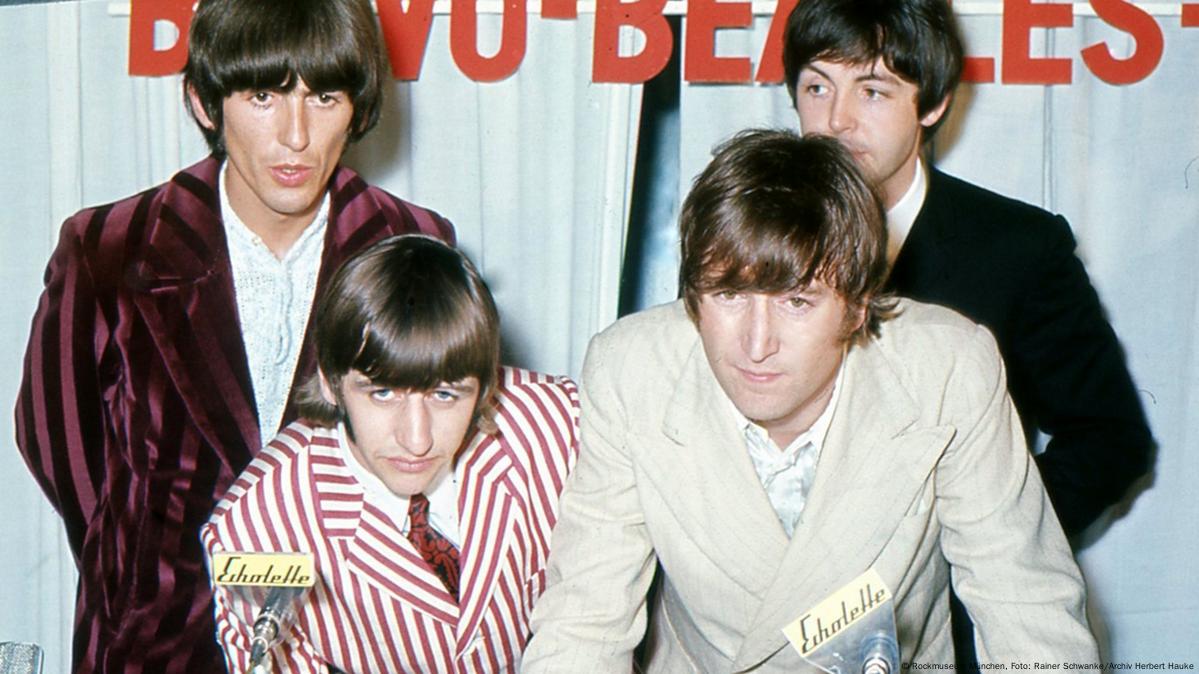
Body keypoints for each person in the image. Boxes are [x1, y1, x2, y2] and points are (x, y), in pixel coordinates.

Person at [521, 130, 1098, 670]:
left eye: (797, 302)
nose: (756, 344)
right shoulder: (632, 369)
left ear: (857, 305)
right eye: (728, 295)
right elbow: (584, 617)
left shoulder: (947, 368)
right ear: (694, 297)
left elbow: (1024, 601)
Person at [13, 0, 452, 670]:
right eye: (263, 95)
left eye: (325, 96)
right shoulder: (106, 250)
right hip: (155, 643)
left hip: (349, 641)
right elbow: (60, 449)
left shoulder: (412, 246)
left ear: (359, 107)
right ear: (203, 102)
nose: (296, 135)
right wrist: (139, 583)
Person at [781, 0, 1153, 665]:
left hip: (953, 633)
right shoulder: (749, 238)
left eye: (870, 90)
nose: (834, 121)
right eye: (815, 86)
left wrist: (980, 538)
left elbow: (1109, 439)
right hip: (776, 618)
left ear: (931, 104)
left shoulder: (1017, 248)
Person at [202, 235, 579, 672]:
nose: (416, 440)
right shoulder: (254, 527)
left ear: (484, 386)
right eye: (381, 393)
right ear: (330, 381)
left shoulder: (558, 423)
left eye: (445, 395)